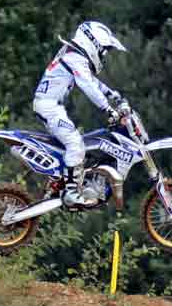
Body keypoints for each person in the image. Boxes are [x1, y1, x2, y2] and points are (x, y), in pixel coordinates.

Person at [33, 20, 128, 207]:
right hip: (49, 107)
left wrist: (113, 96)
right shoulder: (74, 57)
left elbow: (92, 81)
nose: (104, 54)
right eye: (104, 49)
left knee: (78, 144)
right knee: (76, 144)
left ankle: (61, 181)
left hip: (51, 106)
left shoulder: (74, 56)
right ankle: (71, 192)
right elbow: (88, 86)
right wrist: (108, 109)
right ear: (93, 43)